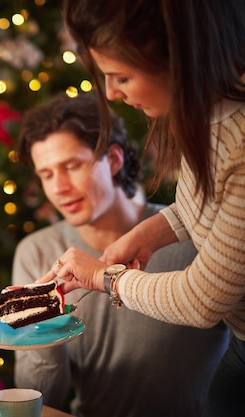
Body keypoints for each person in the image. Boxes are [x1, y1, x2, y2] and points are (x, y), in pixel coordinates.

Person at [36, 1, 245, 415]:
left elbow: (203, 300)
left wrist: (104, 278)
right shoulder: (209, 113)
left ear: (179, 57)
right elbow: (205, 206)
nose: (112, 93)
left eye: (122, 77)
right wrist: (142, 235)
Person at [13, 94, 229, 417]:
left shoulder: (196, 236)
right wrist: (43, 330)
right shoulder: (37, 252)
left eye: (71, 166)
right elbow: (44, 399)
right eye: (46, 174)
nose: (58, 187)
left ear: (113, 160)